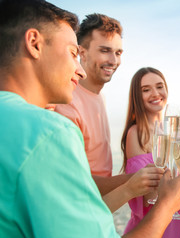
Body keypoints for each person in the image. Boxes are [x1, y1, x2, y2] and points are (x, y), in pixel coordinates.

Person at [0, 0, 180, 238]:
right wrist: (166, 204)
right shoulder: (51, 129)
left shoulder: (96, 101)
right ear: (34, 43)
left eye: (118, 52)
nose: (78, 71)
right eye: (72, 53)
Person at [54, 13, 162, 197]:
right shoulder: (67, 104)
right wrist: (141, 178)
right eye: (104, 50)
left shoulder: (100, 96)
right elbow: (71, 181)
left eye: (118, 52)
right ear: (82, 52)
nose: (113, 60)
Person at [120, 67, 180, 238]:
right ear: (137, 97)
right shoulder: (136, 133)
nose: (155, 93)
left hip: (179, 219)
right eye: (146, 90)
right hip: (154, 224)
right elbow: (147, 194)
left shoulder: (174, 131)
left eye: (159, 86)